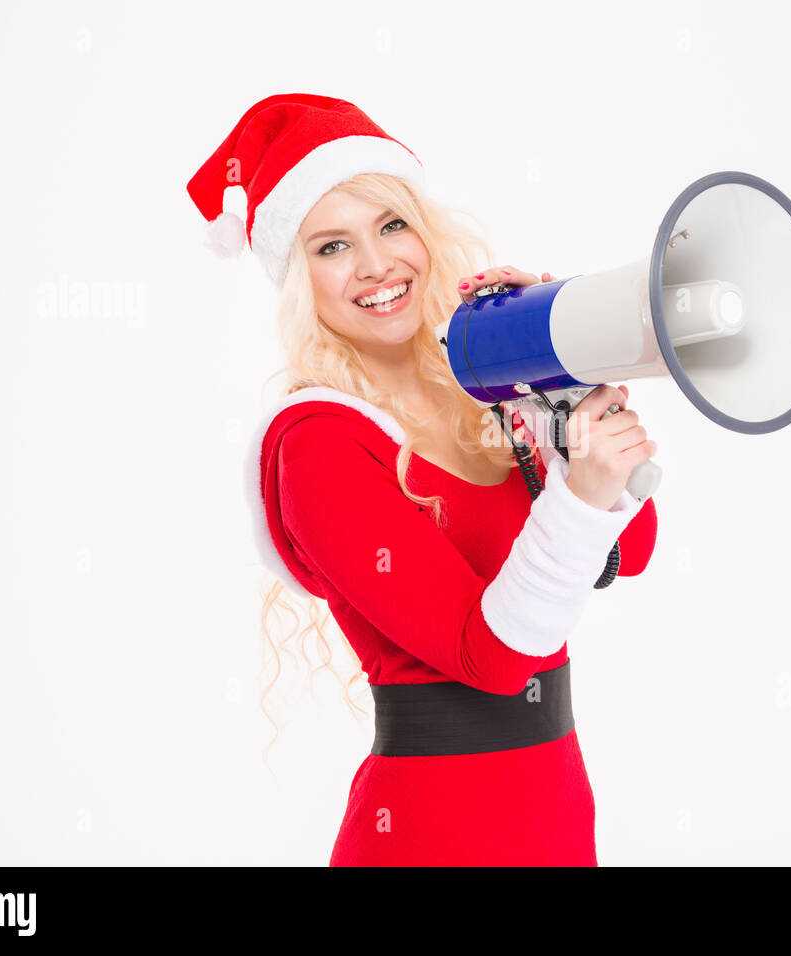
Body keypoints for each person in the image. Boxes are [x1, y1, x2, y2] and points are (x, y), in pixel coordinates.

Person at [188, 93, 659, 865]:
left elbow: (627, 550)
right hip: (430, 833)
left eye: (391, 225)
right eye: (331, 247)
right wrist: (577, 493)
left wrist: (555, 389)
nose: (376, 265)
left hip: (557, 813)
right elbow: (494, 659)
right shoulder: (316, 444)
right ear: (297, 278)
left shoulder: (481, 389)